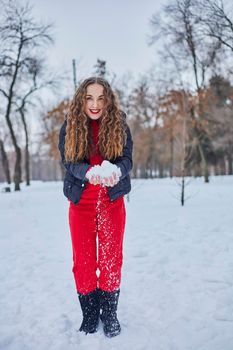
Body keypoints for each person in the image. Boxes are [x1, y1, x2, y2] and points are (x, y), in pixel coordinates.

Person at [58, 76, 133, 338]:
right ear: (82, 99)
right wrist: (87, 172)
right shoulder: (70, 126)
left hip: (112, 202)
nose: (95, 104)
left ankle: (109, 313)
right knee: (84, 262)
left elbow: (127, 160)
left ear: (108, 99)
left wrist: (117, 171)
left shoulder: (119, 123)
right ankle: (90, 315)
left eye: (101, 98)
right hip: (81, 204)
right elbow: (68, 161)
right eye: (89, 97)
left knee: (111, 260)